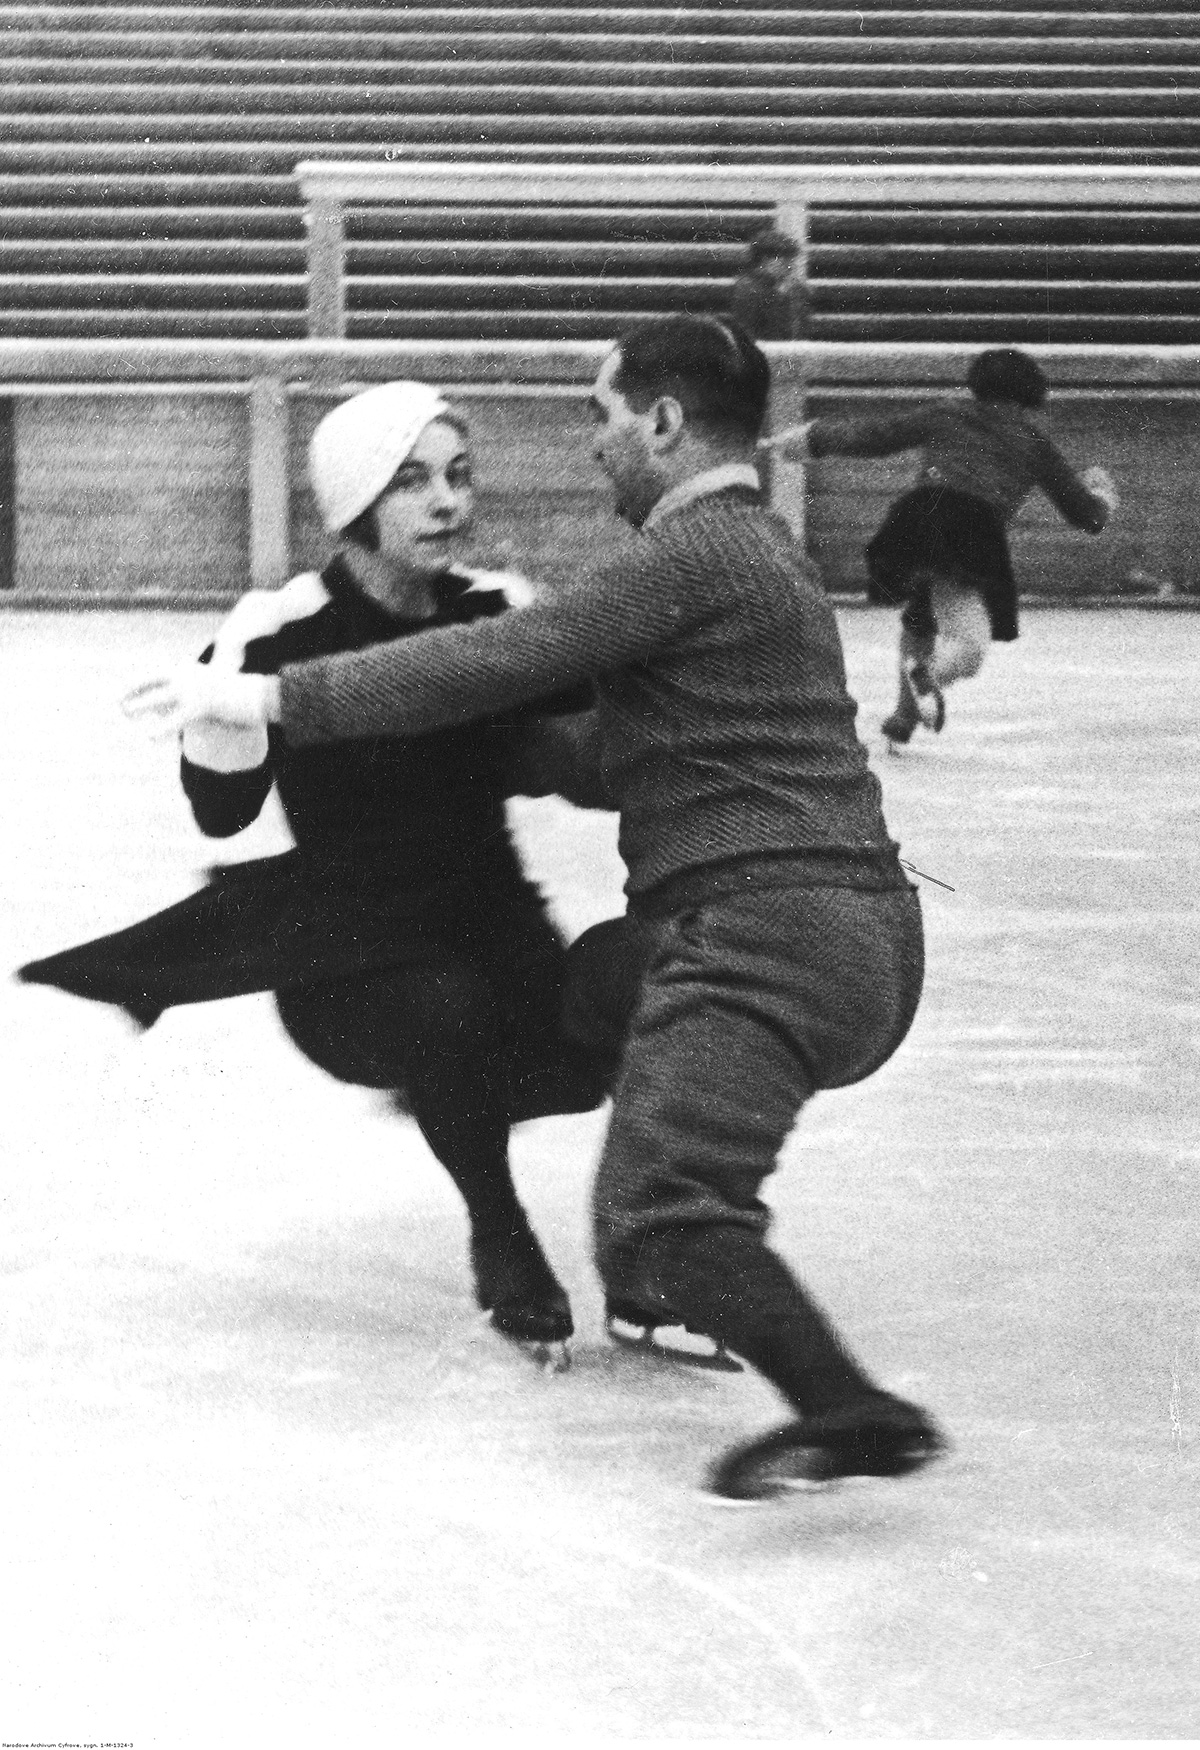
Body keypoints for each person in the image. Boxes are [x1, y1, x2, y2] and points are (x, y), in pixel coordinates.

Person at [134, 317, 947, 1504]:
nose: (594, 450)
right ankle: (655, 1264)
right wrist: (483, 748)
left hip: (765, 932)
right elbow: (621, 749)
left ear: (664, 423)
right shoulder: (762, 557)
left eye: (603, 420)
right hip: (857, 936)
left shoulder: (687, 556)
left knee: (658, 1212)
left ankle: (845, 1403)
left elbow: (492, 661)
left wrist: (264, 692)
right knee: (604, 978)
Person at [19, 380, 610, 1365]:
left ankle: (455, 1095)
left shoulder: (502, 611)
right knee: (445, 1008)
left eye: (458, 476)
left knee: (583, 1059)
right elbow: (224, 813)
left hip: (491, 918)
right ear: (354, 502)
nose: (447, 503)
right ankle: (502, 1235)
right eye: (412, 481)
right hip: (346, 954)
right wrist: (220, 717)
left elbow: (587, 745)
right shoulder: (280, 625)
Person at [769, 347, 1119, 745]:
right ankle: (927, 677)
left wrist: (810, 439)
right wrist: (1103, 495)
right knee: (969, 645)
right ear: (1031, 393)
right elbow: (1084, 515)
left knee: (920, 614)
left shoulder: (947, 413)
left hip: (917, 516)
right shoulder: (1034, 440)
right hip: (970, 527)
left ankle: (904, 713)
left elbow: (874, 436)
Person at [728, 226, 809, 341]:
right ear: (764, 260)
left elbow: (799, 330)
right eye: (783, 261)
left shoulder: (795, 289)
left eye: (790, 261)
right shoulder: (747, 289)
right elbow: (749, 332)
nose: (789, 267)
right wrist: (780, 298)